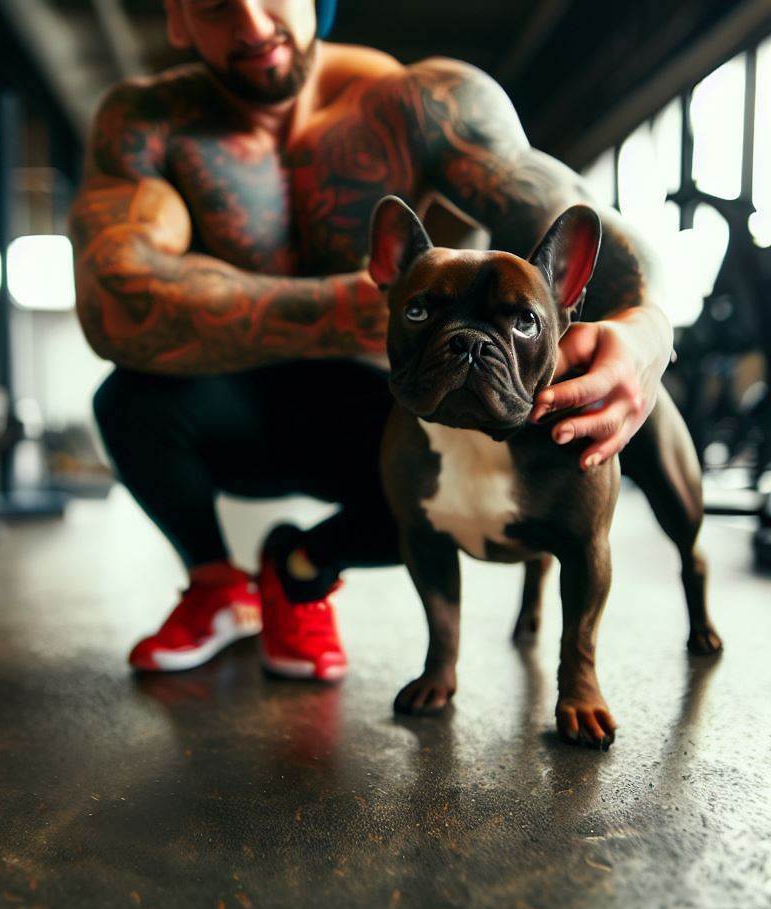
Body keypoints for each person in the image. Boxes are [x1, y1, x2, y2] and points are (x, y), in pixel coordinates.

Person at [69, 0, 673, 681]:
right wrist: (352, 305)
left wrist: (648, 336)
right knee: (128, 402)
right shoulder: (146, 122)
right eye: (213, 4)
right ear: (176, 17)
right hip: (228, 401)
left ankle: (300, 570)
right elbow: (115, 303)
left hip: (396, 408)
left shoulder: (427, 106)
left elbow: (605, 241)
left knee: (428, 492)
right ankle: (216, 585)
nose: (249, 21)